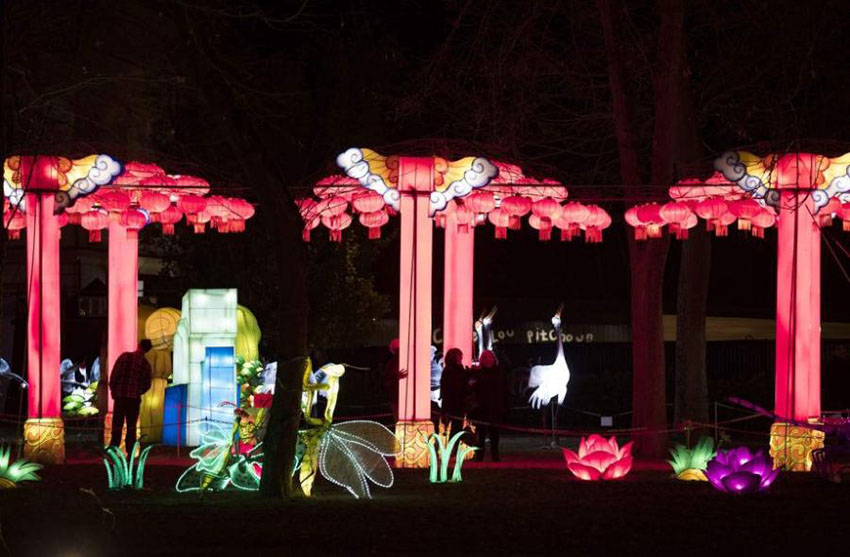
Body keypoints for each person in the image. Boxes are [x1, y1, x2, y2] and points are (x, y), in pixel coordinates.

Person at [108, 339, 153, 451]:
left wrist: (114, 390)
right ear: (148, 350)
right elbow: (147, 384)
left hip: (120, 397)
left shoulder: (124, 356)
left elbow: (114, 374)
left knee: (117, 425)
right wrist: (137, 391)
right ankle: (130, 453)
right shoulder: (145, 364)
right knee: (131, 427)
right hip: (134, 399)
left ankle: (113, 450)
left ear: (138, 345)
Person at [472, 350, 510, 462]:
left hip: (495, 407)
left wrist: (505, 406)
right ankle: (479, 456)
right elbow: (473, 389)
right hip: (481, 408)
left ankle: (495, 456)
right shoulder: (478, 374)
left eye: (490, 358)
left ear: (494, 359)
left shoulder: (500, 373)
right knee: (481, 434)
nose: (488, 360)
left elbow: (505, 391)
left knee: (495, 435)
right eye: (485, 358)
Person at [439, 348, 469, 438]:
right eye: (460, 356)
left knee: (455, 429)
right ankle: (453, 449)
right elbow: (454, 387)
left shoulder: (448, 370)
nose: (461, 358)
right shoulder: (455, 371)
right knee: (456, 428)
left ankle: (452, 449)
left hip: (452, 403)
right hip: (456, 403)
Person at [382, 339, 407, 421]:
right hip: (396, 397)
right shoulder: (392, 364)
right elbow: (386, 382)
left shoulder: (392, 363)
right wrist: (396, 377)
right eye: (398, 350)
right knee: (400, 421)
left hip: (401, 397)